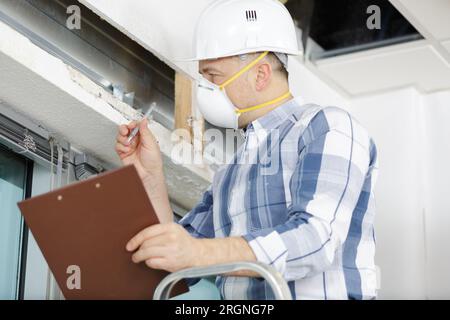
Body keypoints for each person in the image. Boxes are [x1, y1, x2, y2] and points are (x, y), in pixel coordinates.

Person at [115, 0, 378, 300]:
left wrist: (197, 253)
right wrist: (149, 175)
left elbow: (316, 240)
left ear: (260, 74)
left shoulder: (328, 127)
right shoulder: (230, 172)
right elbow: (173, 264)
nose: (205, 88)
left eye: (212, 76)